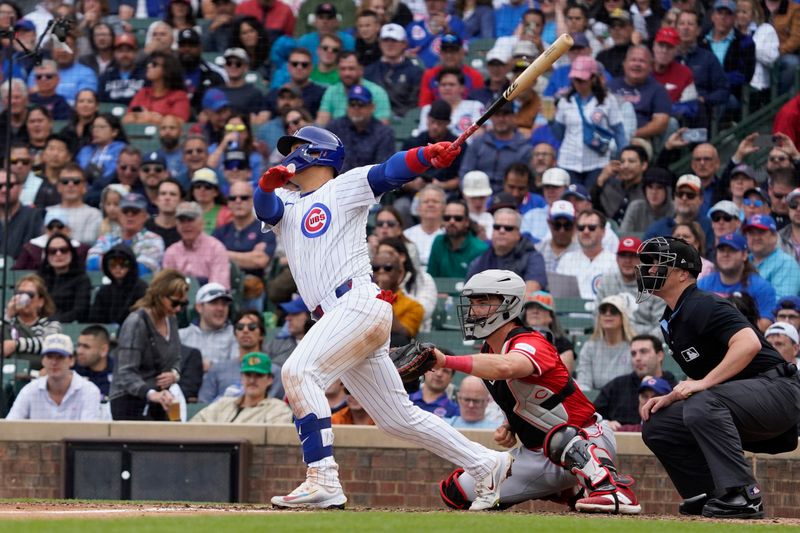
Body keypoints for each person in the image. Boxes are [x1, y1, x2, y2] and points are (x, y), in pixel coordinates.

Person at [254, 125, 514, 510]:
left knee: (298, 373)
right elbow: (267, 209)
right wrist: (263, 186)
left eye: (295, 147)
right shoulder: (286, 202)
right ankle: (486, 462)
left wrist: (427, 155)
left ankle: (322, 478)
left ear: (315, 153)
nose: (288, 154)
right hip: (340, 317)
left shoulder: (342, 186)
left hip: (356, 302)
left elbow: (389, 171)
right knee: (397, 418)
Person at [434, 269, 641, 513]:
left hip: (586, 437)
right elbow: (522, 398)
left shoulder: (531, 341)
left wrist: (445, 361)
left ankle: (611, 489)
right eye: (472, 303)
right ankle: (567, 492)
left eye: (482, 302)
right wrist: (510, 425)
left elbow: (508, 366)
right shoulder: (488, 352)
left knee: (560, 438)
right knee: (459, 491)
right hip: (538, 453)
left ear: (508, 305)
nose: (473, 311)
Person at [637, 236, 800, 518]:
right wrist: (675, 394)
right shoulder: (671, 319)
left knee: (702, 402)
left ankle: (744, 494)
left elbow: (748, 343)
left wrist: (701, 385)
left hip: (779, 391)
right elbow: (704, 380)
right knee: (659, 424)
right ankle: (710, 494)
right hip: (742, 401)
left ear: (682, 273)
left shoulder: (703, 303)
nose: (649, 270)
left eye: (658, 263)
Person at [109, 269, 188, 421]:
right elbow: (126, 373)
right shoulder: (136, 322)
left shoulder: (171, 318)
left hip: (161, 399)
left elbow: (177, 357)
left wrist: (174, 374)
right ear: (159, 296)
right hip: (129, 402)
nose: (178, 309)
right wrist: (151, 394)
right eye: (175, 303)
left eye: (183, 304)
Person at [552, 55, 627, 189]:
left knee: (593, 198)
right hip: (569, 160)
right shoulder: (565, 101)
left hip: (597, 160)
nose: (579, 83)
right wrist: (551, 119)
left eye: (582, 80)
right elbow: (559, 135)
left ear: (593, 78)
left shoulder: (607, 100)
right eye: (576, 80)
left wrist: (622, 157)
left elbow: (619, 130)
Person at [6, 334, 101, 421]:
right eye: (49, 357)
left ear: (71, 360)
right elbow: (10, 426)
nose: (54, 362)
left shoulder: (89, 390)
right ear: (43, 360)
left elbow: (89, 433)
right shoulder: (29, 390)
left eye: (60, 357)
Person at [199, 309, 285, 403]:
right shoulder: (217, 369)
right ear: (235, 334)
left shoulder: (274, 371)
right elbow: (203, 404)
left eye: (252, 327)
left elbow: (275, 406)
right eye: (240, 327)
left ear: (261, 335)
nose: (245, 330)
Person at [594, 334, 676, 431]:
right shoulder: (616, 385)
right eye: (633, 354)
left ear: (660, 355)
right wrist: (605, 423)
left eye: (643, 352)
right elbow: (592, 416)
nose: (637, 358)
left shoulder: (674, 389)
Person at [698, 232, 777, 330]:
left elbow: (765, 325)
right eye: (722, 250)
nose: (726, 254)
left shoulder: (762, 287)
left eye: (732, 250)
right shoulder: (703, 284)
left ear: (744, 255)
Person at [192, 353, 293, 424]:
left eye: (259, 375)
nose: (252, 380)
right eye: (248, 375)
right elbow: (193, 425)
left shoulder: (278, 409)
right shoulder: (223, 404)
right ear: (241, 377)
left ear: (269, 380)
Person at [466, 208, 548, 293]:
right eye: (497, 227)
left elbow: (531, 292)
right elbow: (468, 292)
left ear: (518, 234)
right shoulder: (481, 259)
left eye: (508, 228)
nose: (501, 231)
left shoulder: (533, 258)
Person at [86, 192, 165, 276]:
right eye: (125, 211)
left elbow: (144, 269)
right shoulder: (107, 238)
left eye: (135, 211)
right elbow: (91, 263)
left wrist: (109, 263)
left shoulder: (153, 240)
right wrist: (128, 264)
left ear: (145, 216)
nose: (129, 215)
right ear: (119, 214)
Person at [607, 46, 671, 144]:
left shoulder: (658, 90)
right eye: (633, 60)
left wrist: (631, 134)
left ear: (650, 67)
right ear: (624, 64)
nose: (637, 64)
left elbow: (661, 122)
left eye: (642, 61)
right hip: (608, 134)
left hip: (638, 138)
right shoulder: (609, 86)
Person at [326, 85, 395, 173]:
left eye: (361, 104)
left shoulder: (384, 133)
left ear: (372, 107)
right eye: (352, 104)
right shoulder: (334, 127)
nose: (356, 108)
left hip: (369, 183)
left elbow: (382, 168)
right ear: (347, 106)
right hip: (336, 182)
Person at [163, 201, 231, 288]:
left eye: (190, 220)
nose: (186, 225)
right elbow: (167, 288)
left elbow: (219, 288)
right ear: (177, 224)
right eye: (182, 221)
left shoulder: (216, 248)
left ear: (202, 222)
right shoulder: (171, 252)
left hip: (209, 300)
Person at [577, 293, 637, 391]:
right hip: (596, 402)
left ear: (623, 317)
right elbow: (584, 383)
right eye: (603, 310)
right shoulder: (589, 347)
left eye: (613, 311)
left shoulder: (633, 347)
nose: (607, 314)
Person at [363, 23, 423, 118]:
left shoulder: (415, 72)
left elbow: (414, 104)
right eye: (385, 40)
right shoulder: (368, 72)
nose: (389, 44)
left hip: (404, 122)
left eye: (394, 40)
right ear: (380, 43)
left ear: (404, 44)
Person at [3, 274, 62, 370]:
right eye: (20, 293)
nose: (24, 298)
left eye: (30, 295)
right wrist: (8, 316)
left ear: (40, 301)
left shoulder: (50, 323)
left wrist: (15, 345)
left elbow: (49, 343)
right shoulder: (8, 321)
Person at [556, 209, 618, 300]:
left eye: (592, 227)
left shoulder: (614, 261)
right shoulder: (566, 260)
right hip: (571, 313)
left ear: (603, 232)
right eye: (581, 228)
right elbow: (559, 296)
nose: (586, 231)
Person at [179, 283, 237, 371]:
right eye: (214, 303)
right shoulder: (181, 336)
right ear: (199, 307)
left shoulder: (236, 334)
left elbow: (235, 369)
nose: (220, 308)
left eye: (224, 304)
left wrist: (211, 366)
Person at [87, 243, 148, 326]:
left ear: (131, 265)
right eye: (112, 263)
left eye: (123, 263)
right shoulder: (104, 291)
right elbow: (95, 320)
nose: (118, 268)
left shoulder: (141, 289)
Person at [427, 199, 488, 278]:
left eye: (458, 218)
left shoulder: (480, 249)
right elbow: (431, 278)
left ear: (466, 222)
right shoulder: (438, 242)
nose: (452, 221)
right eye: (447, 218)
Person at [743, 214, 800, 298]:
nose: (756, 237)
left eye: (761, 232)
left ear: (774, 236)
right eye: (751, 233)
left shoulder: (787, 263)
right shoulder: (742, 261)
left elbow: (782, 303)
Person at [124, 52, 191, 124]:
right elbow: (127, 119)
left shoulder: (179, 96)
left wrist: (146, 118)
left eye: (154, 64)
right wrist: (152, 118)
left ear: (167, 70)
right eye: (149, 63)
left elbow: (179, 122)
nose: (148, 66)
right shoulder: (142, 92)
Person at [373, 250, 424, 345]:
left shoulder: (414, 306)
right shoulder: (362, 298)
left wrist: (384, 297)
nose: (381, 271)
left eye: (387, 268)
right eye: (375, 268)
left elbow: (404, 334)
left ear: (400, 273)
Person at [38, 233, 91, 323]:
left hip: (70, 326)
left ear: (71, 253)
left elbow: (80, 311)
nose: (58, 254)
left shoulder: (81, 279)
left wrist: (55, 321)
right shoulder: (40, 279)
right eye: (52, 251)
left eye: (63, 250)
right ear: (47, 255)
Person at [521, 289, 576, 375]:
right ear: (525, 314)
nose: (535, 311)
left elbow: (563, 376)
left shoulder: (563, 344)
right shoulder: (514, 338)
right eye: (531, 307)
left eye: (541, 308)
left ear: (551, 316)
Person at [592, 145, 649, 224]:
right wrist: (601, 179)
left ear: (644, 165)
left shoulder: (649, 191)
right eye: (622, 162)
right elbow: (593, 207)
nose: (625, 166)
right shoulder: (611, 187)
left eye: (631, 161)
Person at [0, 169, 42, 259]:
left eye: (9, 185)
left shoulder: (33, 216)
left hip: (22, 272)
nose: (4, 190)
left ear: (20, 187)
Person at [619, 167, 674, 235]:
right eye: (650, 187)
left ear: (668, 191)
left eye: (659, 187)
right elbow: (624, 237)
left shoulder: (675, 210)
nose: (654, 192)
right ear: (644, 190)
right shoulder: (635, 208)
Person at [403, 184, 445, 268]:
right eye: (426, 201)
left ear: (444, 207)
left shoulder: (450, 235)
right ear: (418, 207)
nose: (430, 205)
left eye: (435, 201)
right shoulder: (406, 235)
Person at [98, 33, 146, 105]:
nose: (124, 55)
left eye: (128, 50)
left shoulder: (145, 75)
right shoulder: (105, 76)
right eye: (120, 51)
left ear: (136, 53)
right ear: (114, 53)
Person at [74, 324, 114, 400]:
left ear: (103, 350)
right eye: (78, 345)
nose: (79, 351)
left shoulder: (119, 374)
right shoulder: (71, 371)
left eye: (86, 347)